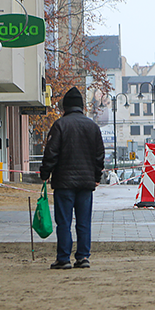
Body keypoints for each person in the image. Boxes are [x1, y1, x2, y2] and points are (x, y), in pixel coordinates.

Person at [40, 87, 105, 270]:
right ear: (82, 106)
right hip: (86, 183)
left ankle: (63, 258)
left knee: (64, 222)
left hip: (64, 183)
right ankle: (83, 257)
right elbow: (99, 155)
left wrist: (45, 174)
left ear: (65, 107)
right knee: (84, 222)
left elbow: (50, 153)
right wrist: (96, 176)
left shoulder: (60, 125)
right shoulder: (92, 126)